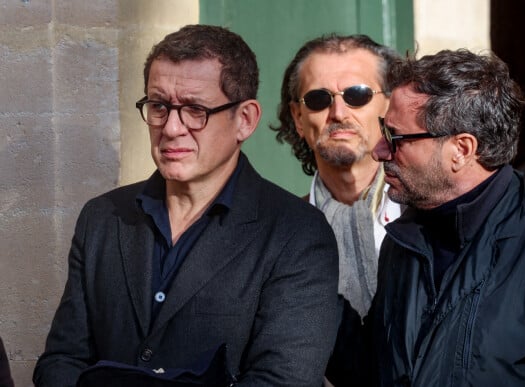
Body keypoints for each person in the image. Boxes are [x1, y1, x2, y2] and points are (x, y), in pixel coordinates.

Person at [33, 24, 339, 387]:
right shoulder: (102, 218)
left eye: (195, 109)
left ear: (245, 119)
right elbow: (61, 362)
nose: (172, 127)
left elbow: (283, 380)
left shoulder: (297, 233)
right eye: (159, 106)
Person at [347, 48, 525, 386]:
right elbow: (373, 371)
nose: (380, 150)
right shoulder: (405, 240)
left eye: (395, 137)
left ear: (462, 149)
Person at [270, 35, 401, 384]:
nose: (338, 113)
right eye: (318, 99)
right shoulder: (273, 236)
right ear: (298, 118)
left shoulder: (433, 222)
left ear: (389, 107)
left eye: (357, 95)